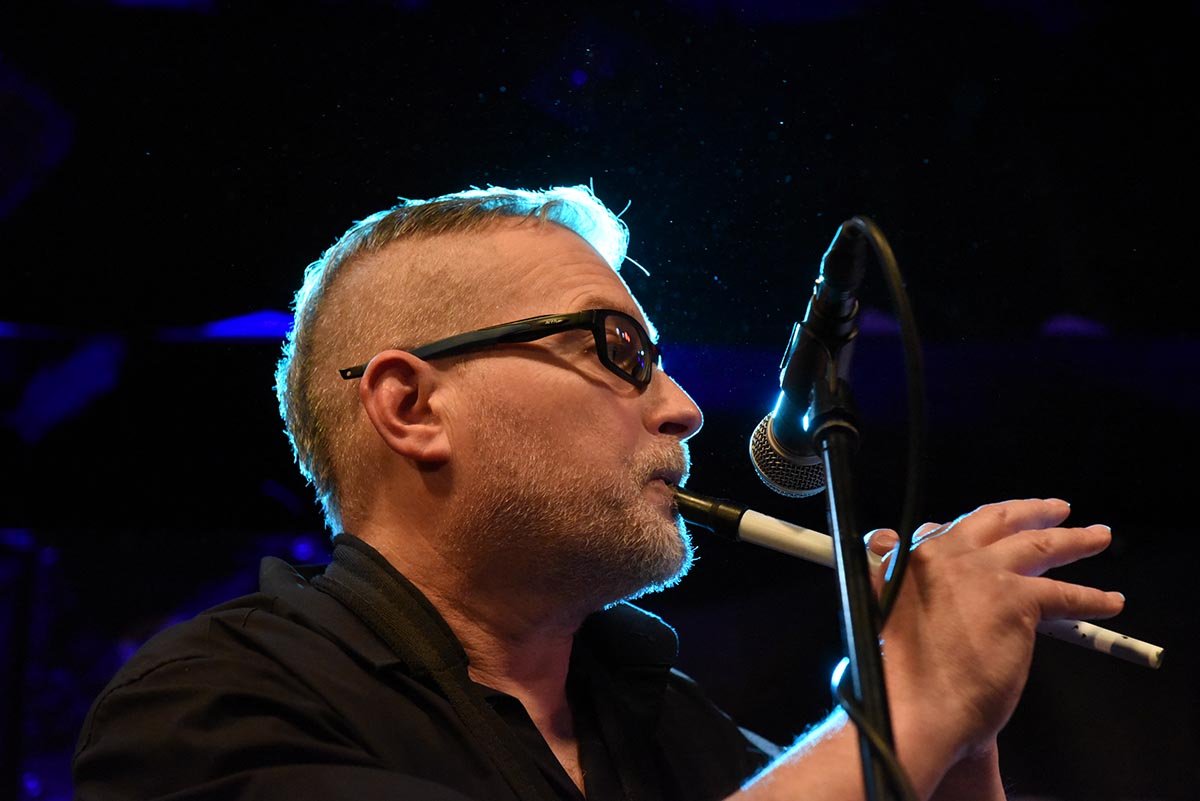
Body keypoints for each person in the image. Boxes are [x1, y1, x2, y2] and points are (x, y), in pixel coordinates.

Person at [72, 185, 1124, 800]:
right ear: (413, 406)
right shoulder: (207, 709)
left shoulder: (667, 721)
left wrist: (960, 737)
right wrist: (909, 705)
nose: (686, 409)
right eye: (618, 349)